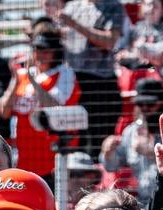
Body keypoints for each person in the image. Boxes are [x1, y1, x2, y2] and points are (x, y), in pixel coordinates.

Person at [0, 29, 79, 184]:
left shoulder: (64, 73)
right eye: (36, 49)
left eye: (45, 51)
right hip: (22, 157)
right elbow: (3, 111)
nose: (40, 54)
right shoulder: (22, 75)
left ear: (55, 53)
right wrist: (16, 80)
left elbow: (55, 106)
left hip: (51, 158)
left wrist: (32, 81)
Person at [46, 0, 126, 153]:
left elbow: (109, 41)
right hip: (73, 82)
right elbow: (62, 36)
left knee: (99, 142)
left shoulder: (113, 6)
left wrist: (75, 24)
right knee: (77, 141)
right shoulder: (72, 6)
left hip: (101, 85)